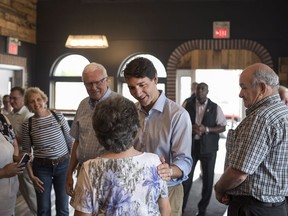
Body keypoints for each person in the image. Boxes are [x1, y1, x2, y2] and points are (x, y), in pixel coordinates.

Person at [70, 95, 171, 216]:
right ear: (135, 128)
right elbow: (165, 209)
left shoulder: (90, 168)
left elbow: (82, 214)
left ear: (98, 133)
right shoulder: (154, 161)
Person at [214, 63, 288, 216]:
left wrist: (219, 188)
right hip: (276, 206)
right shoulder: (283, 112)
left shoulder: (261, 118)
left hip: (254, 208)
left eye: (244, 87)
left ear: (261, 88)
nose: (240, 94)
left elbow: (238, 173)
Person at [123, 57, 192, 216]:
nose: (137, 93)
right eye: (132, 88)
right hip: (135, 189)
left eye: (142, 85)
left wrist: (169, 170)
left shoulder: (178, 115)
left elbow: (185, 161)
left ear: (155, 79)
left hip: (168, 190)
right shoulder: (130, 112)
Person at [65, 62, 119, 197]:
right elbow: (77, 141)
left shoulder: (120, 105)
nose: (93, 87)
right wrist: (69, 173)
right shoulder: (83, 104)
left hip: (109, 176)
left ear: (107, 81)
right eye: (88, 83)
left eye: (97, 82)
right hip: (83, 172)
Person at [21, 87, 74, 216]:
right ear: (28, 105)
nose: (36, 103)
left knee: (63, 208)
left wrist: (72, 168)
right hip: (41, 168)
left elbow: (70, 142)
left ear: (44, 100)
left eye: (39, 99)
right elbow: (26, 152)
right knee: (43, 209)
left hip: (63, 165)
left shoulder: (58, 116)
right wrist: (32, 176)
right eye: (32, 101)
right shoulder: (27, 124)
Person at [182, 82, 226, 216]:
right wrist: (191, 127)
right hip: (191, 147)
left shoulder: (215, 107)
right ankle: (180, 209)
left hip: (209, 148)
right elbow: (180, 121)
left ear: (207, 91)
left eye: (203, 89)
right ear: (195, 91)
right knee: (186, 179)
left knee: (208, 180)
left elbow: (223, 126)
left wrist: (206, 129)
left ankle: (202, 210)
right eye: (198, 89)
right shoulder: (187, 104)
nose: (200, 91)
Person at [7, 86, 37, 215]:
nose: (11, 101)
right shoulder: (11, 114)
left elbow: (27, 140)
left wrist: (9, 138)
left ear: (22, 99)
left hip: (24, 158)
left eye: (15, 98)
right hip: (12, 157)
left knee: (29, 191)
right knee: (15, 189)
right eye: (10, 98)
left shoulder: (28, 115)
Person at [0, 113, 24, 215]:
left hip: (7, 195)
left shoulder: (2, 121)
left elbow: (12, 146)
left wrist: (16, 158)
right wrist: (4, 172)